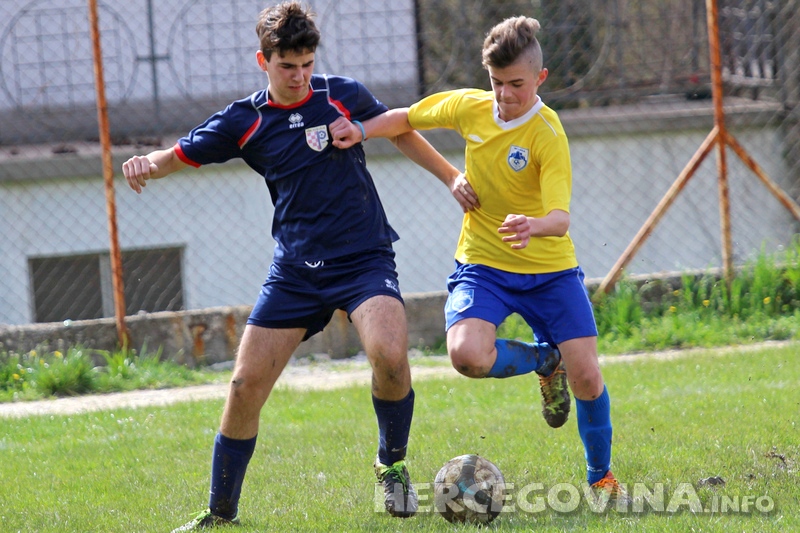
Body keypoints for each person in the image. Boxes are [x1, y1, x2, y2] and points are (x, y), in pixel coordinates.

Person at [122, 2, 475, 530]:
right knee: (244, 387)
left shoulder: (342, 95)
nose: (300, 75)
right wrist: (147, 162)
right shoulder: (245, 120)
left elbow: (399, 128)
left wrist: (450, 177)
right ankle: (221, 516)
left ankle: (391, 465)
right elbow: (180, 153)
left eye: (307, 63)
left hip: (363, 258)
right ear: (262, 61)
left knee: (390, 355)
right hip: (296, 271)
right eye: (288, 66)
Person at [331, 15, 629, 502]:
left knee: (589, 376)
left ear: (539, 79)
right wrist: (360, 130)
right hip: (484, 265)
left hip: (549, 269)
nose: (505, 94)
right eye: (496, 82)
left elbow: (560, 218)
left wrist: (532, 225)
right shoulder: (472, 107)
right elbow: (406, 118)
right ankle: (543, 359)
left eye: (516, 84)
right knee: (466, 356)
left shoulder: (547, 133)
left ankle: (600, 478)